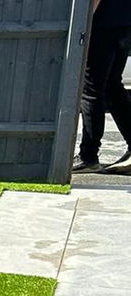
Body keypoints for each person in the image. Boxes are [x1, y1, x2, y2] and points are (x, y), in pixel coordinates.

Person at [76, 0, 131, 173]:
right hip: (124, 21)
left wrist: (83, 22)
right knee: (111, 86)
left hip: (102, 23)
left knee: (92, 89)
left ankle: (88, 156)